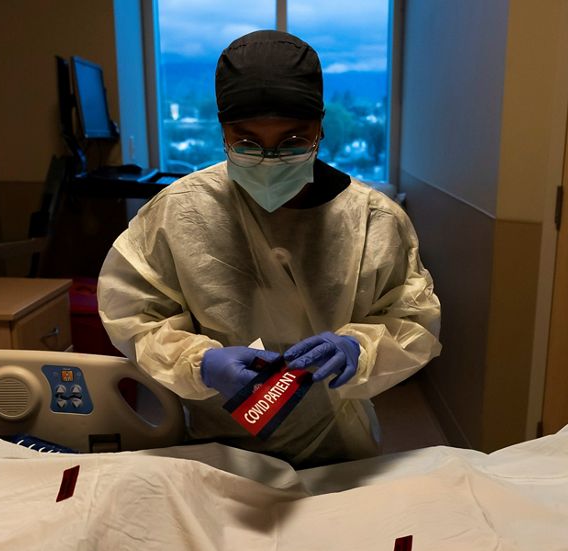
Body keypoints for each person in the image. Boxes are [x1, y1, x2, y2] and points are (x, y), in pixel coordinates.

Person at [98, 30, 440, 467]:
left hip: (336, 444)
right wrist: (201, 363)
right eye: (247, 143)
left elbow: (412, 320)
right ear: (223, 132)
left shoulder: (374, 220)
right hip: (219, 445)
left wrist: (361, 348)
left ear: (320, 128)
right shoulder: (178, 213)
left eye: (293, 142)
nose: (269, 159)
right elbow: (135, 315)